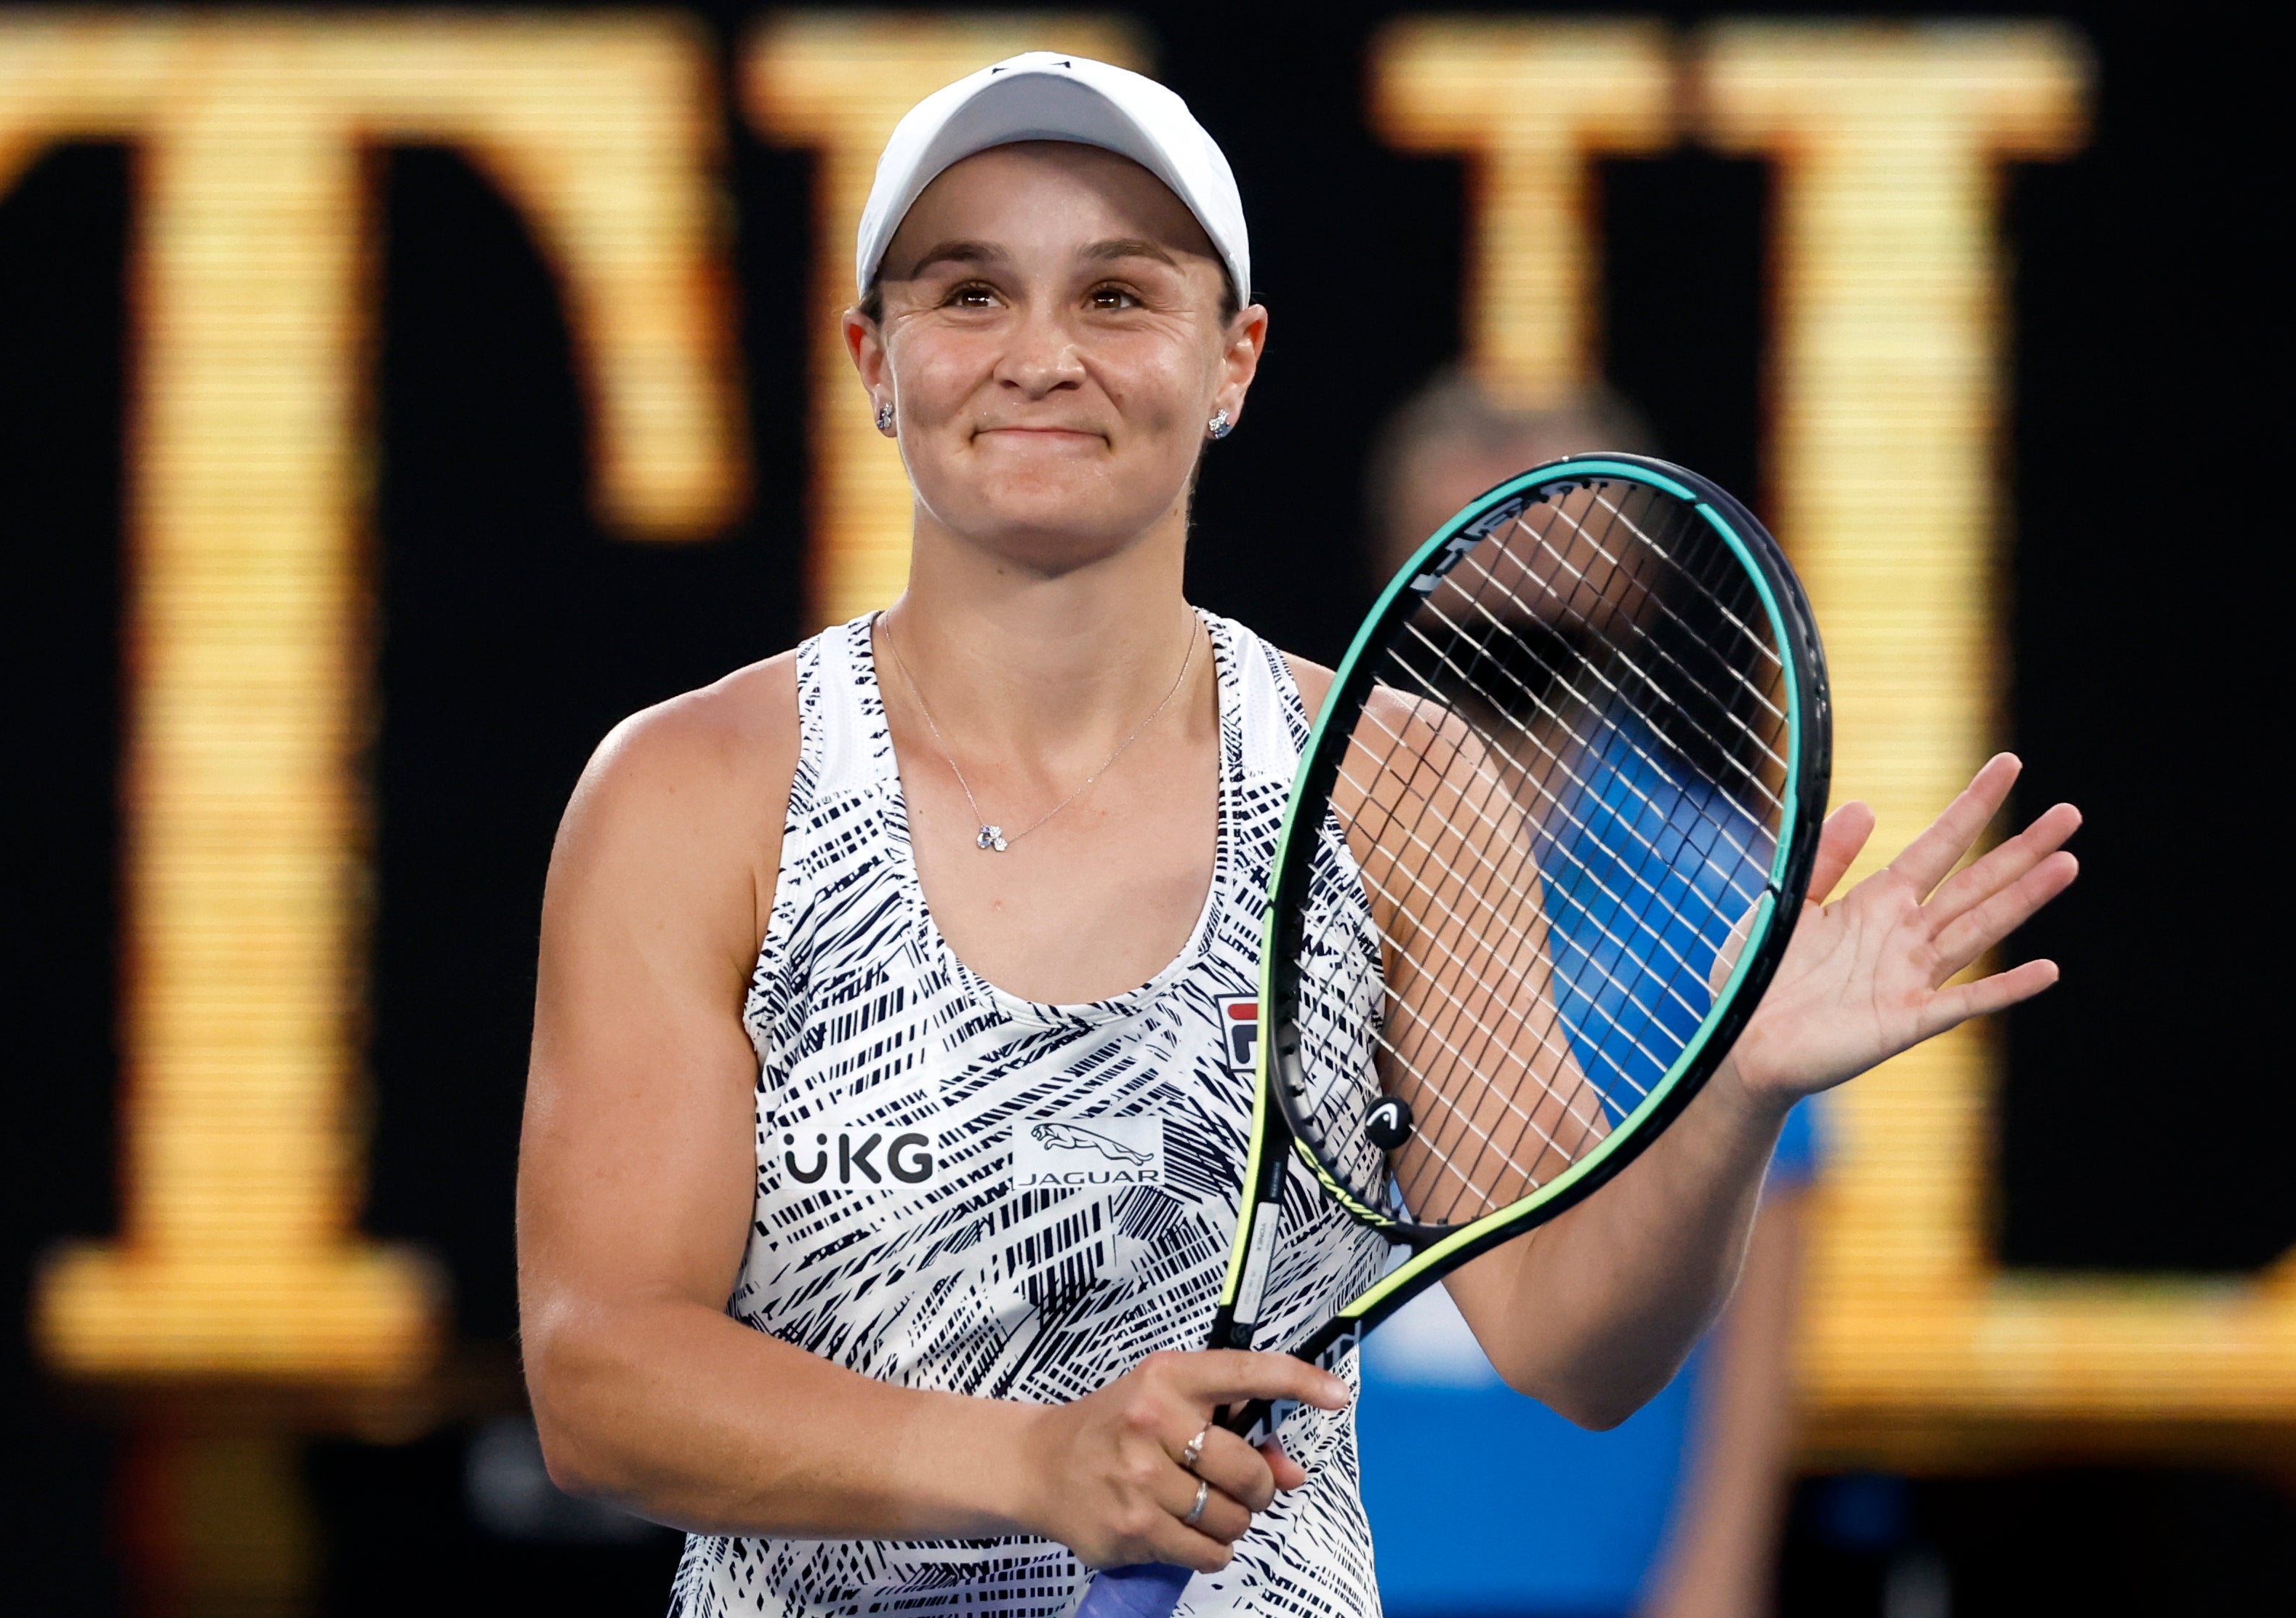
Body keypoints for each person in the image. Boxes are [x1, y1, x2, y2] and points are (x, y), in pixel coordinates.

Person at [515, 54, 2080, 1618]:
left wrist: (1731, 1096)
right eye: (970, 294)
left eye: (1119, 297)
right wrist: (1031, 1464)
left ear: (1233, 360)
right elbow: (598, 1378)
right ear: (873, 356)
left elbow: (1573, 1342)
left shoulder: (1393, 786)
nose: (1042, 355)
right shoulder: (687, 794)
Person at [1360, 371, 1815, 1618]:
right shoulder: (1279, 862)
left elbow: (1771, 1234)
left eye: (1548, 540)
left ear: (1633, 578)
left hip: (1602, 1561)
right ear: (1404, 565)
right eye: (1469, 540)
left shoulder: (1719, 880)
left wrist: (1718, 1572)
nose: (1509, 582)